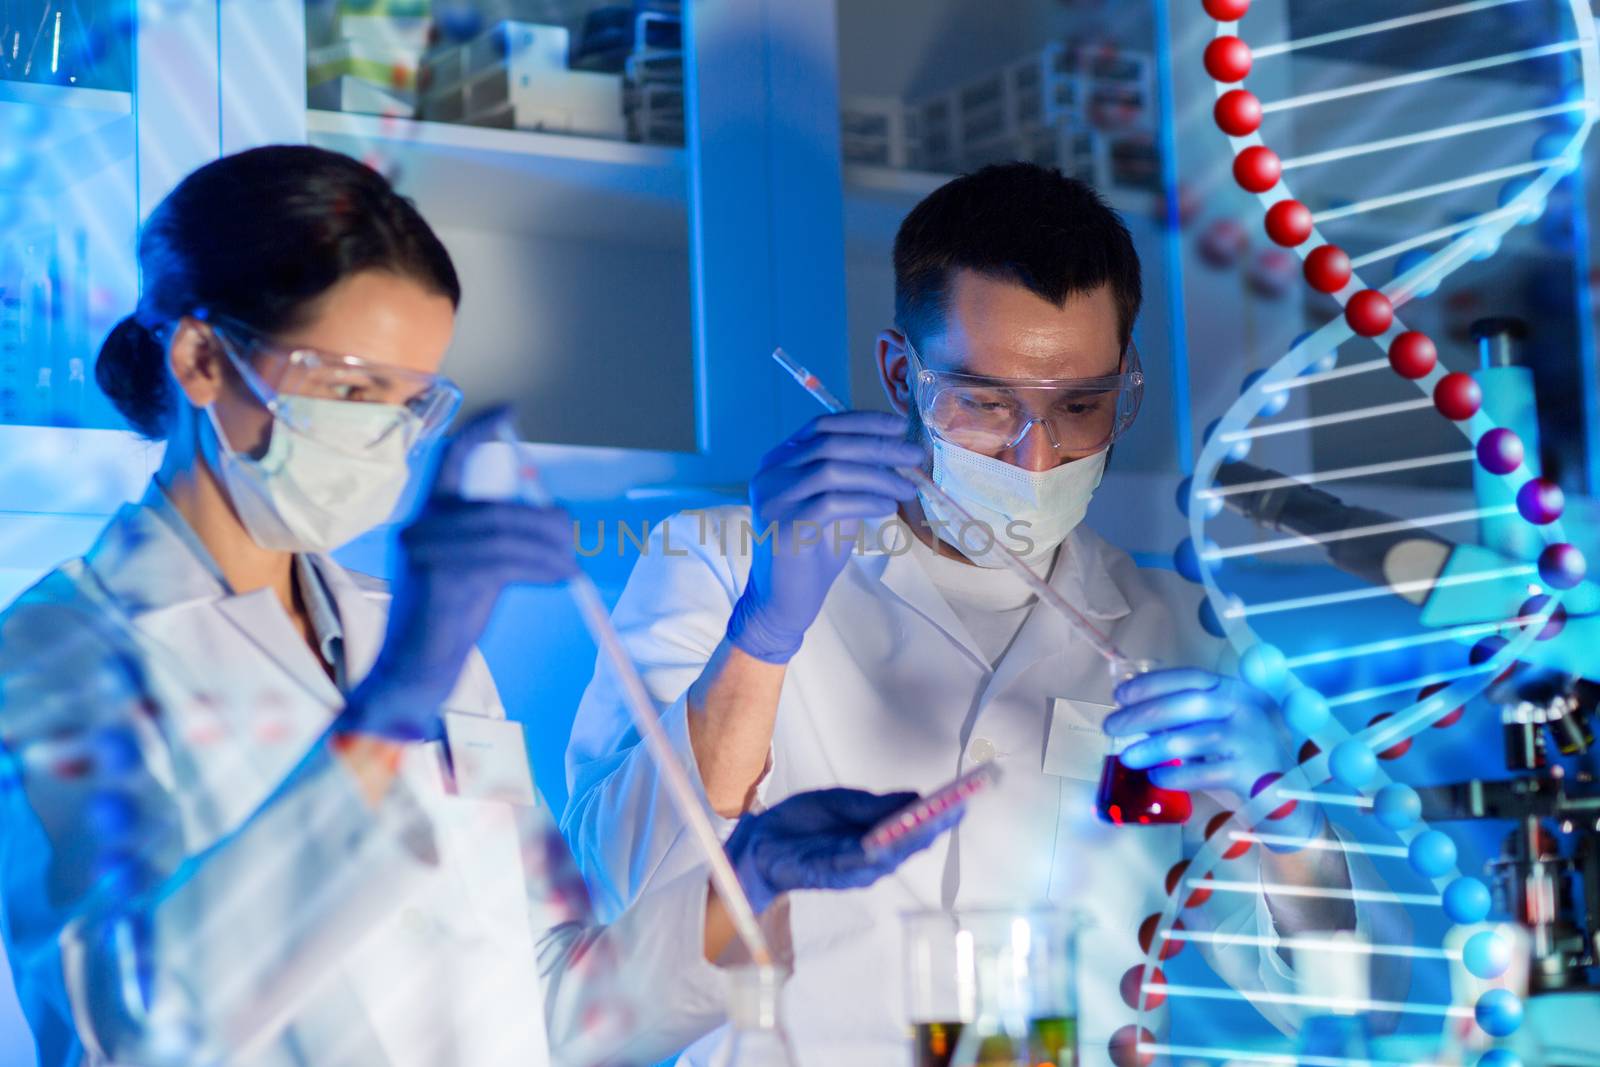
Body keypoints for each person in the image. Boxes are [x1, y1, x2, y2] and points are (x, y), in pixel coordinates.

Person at [0, 145, 952, 1067]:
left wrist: (751, 878)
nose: (384, 432)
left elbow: (550, 1001)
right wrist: (393, 704)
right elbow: (128, 1031)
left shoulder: (407, 633)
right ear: (203, 359)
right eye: (352, 387)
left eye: (412, 400)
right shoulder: (53, 653)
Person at [564, 164, 1393, 1066]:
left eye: (1081, 406)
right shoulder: (722, 565)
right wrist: (763, 631)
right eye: (986, 402)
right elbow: (615, 890)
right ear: (899, 375)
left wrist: (1293, 829)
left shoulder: (1176, 632)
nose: (1037, 454)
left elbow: (1331, 1010)